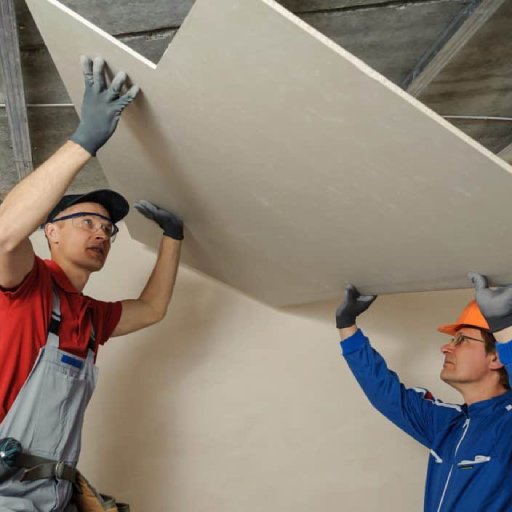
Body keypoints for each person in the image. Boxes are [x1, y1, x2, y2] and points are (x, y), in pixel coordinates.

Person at [0, 56, 183, 511]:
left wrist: (173, 237)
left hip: (53, 498)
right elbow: (4, 236)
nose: (101, 232)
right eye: (86, 221)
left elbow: (153, 308)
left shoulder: (90, 316)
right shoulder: (26, 283)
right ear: (51, 231)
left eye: (107, 228)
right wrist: (84, 140)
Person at [336, 272, 512, 512]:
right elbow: (386, 395)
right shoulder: (448, 424)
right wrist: (346, 326)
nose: (446, 348)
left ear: (496, 357)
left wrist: (503, 328)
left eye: (461, 340)